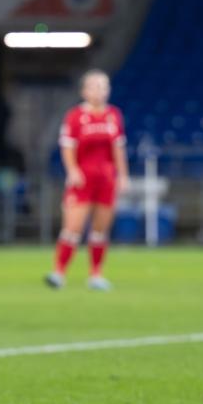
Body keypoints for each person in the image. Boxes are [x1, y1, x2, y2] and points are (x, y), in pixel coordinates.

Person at [45, 69, 129, 290]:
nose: (99, 91)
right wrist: (72, 170)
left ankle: (96, 274)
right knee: (73, 228)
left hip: (106, 180)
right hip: (82, 180)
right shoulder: (75, 116)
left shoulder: (114, 115)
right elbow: (67, 147)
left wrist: (123, 175)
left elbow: (118, 148)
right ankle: (59, 273)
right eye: (94, 86)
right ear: (84, 90)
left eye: (103, 86)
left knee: (100, 230)